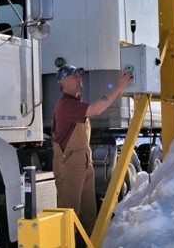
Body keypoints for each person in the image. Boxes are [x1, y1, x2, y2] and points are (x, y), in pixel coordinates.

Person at [52, 64, 133, 237]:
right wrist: (119, 86)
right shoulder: (66, 105)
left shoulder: (75, 103)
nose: (79, 78)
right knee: (70, 216)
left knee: (88, 215)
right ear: (63, 82)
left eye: (80, 75)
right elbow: (97, 108)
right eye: (75, 76)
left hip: (83, 162)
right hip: (70, 165)